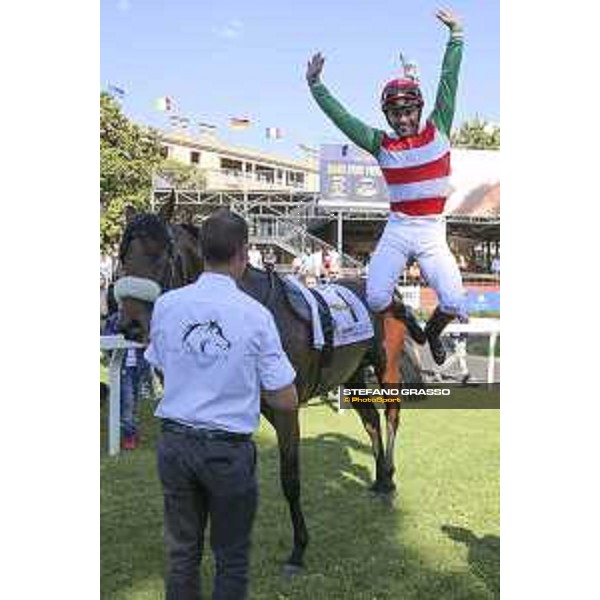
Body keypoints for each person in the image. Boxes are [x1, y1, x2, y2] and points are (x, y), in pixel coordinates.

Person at [144, 209, 298, 600]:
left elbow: (161, 365)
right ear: (243, 253)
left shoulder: (168, 305)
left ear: (200, 249)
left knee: (182, 554)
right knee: (230, 559)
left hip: (176, 446)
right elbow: (285, 397)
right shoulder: (257, 315)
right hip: (227, 452)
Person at [306, 8, 467, 378]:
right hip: (398, 228)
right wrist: (316, 86)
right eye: (395, 115)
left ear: (419, 108)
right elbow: (341, 118)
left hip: (431, 231)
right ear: (387, 117)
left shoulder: (439, 126)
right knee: (377, 298)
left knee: (455, 301)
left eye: (408, 111)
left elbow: (449, 80)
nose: (404, 119)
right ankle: (408, 319)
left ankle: (430, 334)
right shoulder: (380, 144)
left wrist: (456, 36)